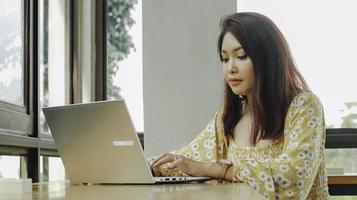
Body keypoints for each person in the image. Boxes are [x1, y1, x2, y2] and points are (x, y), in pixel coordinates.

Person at [148, 12, 330, 199]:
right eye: (225, 59)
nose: (230, 68)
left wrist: (218, 170)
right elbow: (188, 161)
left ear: (268, 59)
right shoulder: (229, 117)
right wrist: (146, 167)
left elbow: (294, 177)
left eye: (241, 56)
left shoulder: (304, 106)